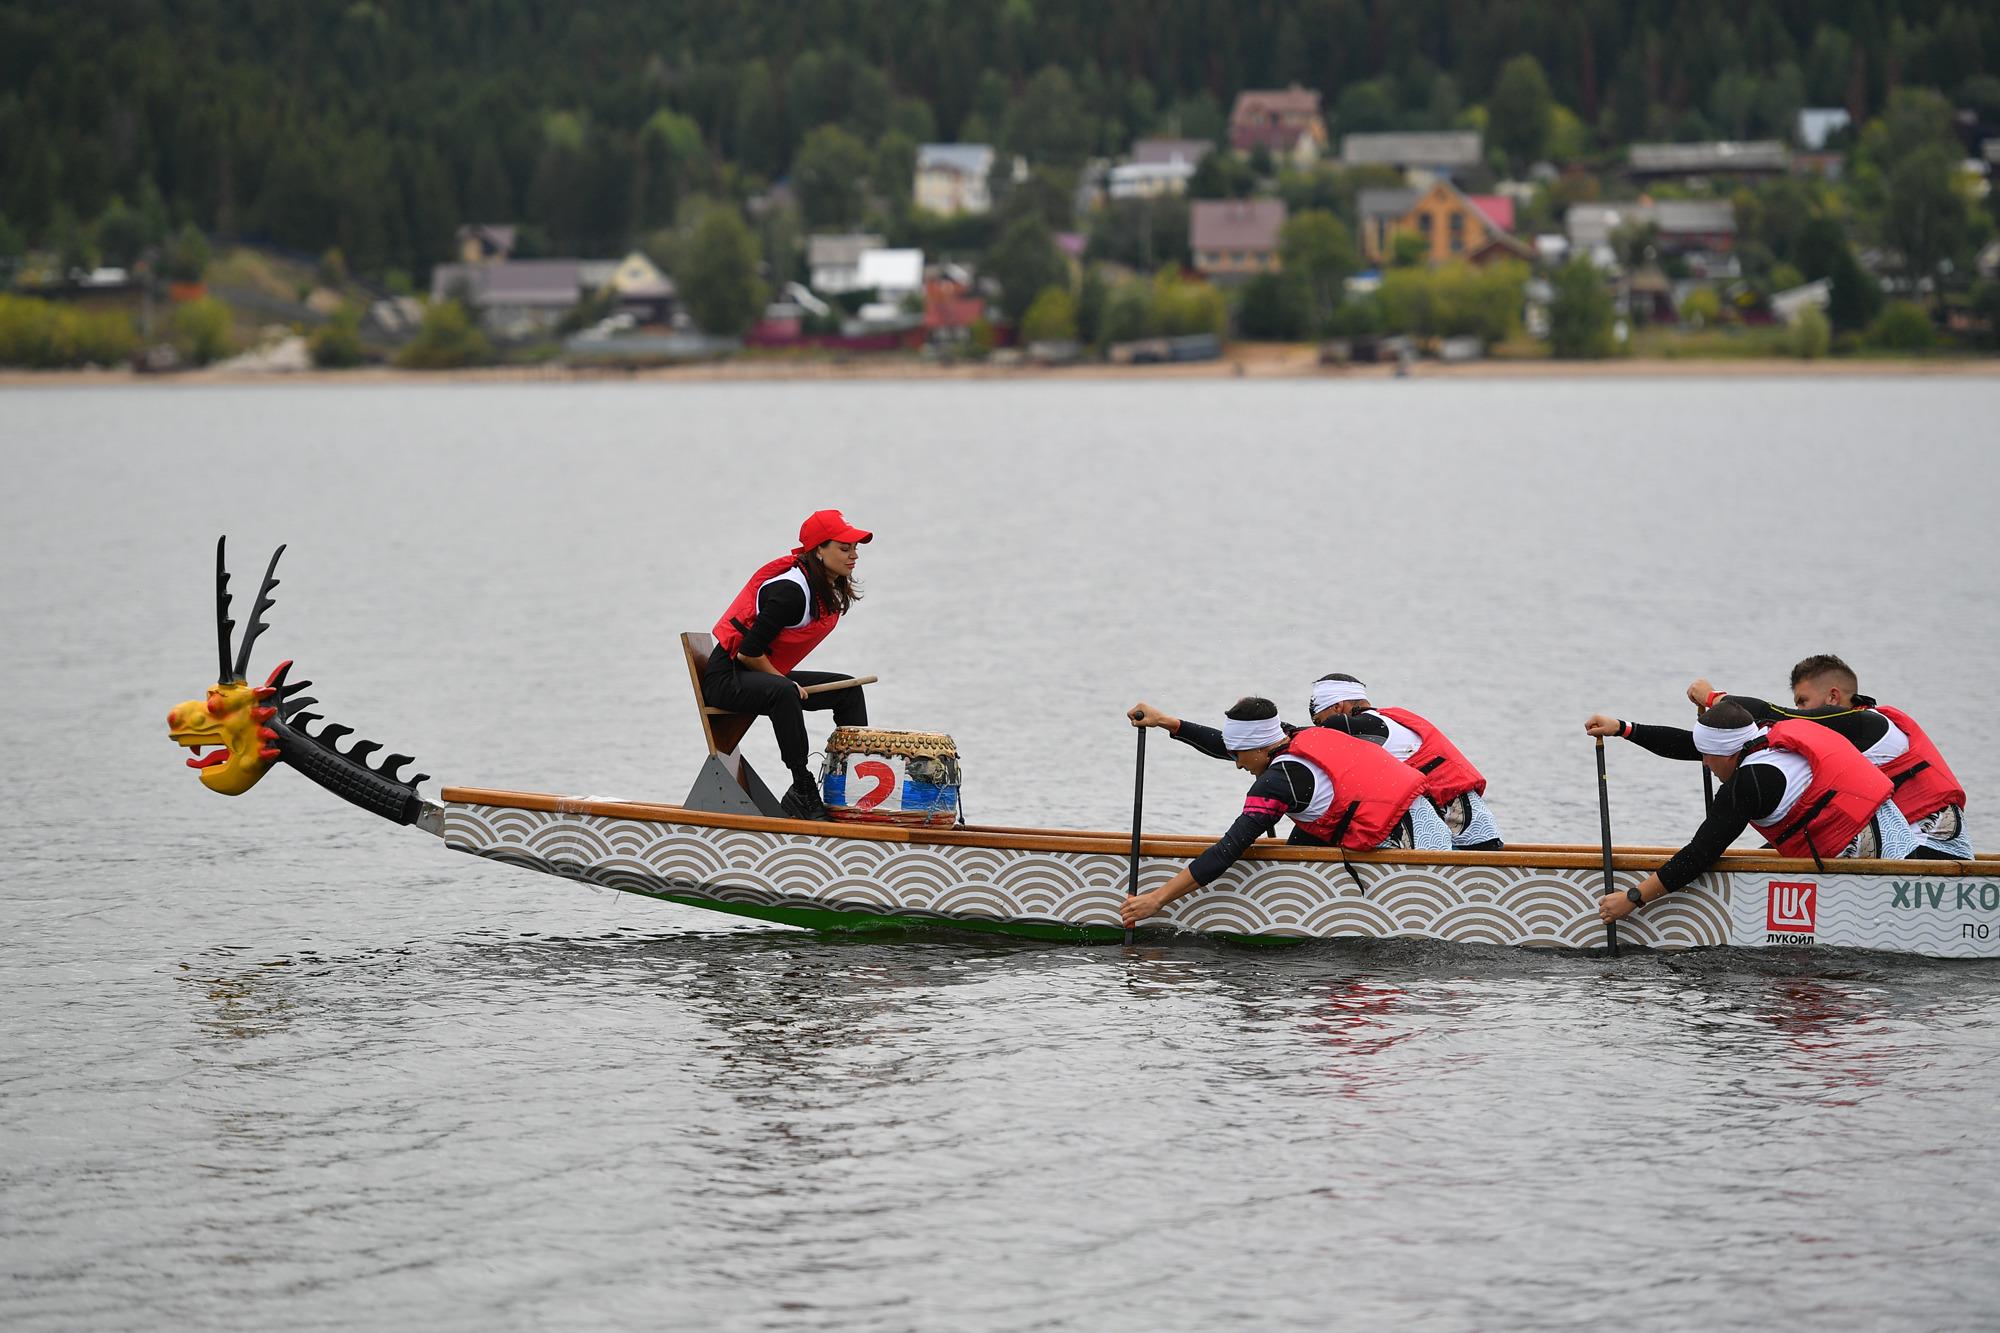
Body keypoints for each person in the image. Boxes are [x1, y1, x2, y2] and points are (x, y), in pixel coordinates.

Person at [1120, 696, 1452, 928]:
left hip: (1417, 853)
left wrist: (1158, 899)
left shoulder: (1277, 783)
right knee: (1304, 835)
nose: (1237, 765)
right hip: (1430, 826)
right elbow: (1230, 743)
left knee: (1294, 838)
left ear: (1262, 746)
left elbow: (1227, 851)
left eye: (1239, 756)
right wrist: (1166, 722)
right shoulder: (1297, 736)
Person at [1587, 700, 1919, 927]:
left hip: (1866, 852)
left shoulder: (1749, 783)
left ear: (1727, 754)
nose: (1703, 763)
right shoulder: (1762, 734)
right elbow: (1693, 744)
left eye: (1707, 757)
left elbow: (1700, 854)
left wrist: (1633, 898)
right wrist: (1623, 728)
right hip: (1895, 830)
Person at [1684, 654, 1970, 860]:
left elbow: (1779, 715)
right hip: (1899, 848)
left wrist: (1714, 698)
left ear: (1833, 697)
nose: (1799, 710)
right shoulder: (1834, 745)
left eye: (1803, 701)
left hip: (1935, 849)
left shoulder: (1869, 725)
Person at [704, 509, 872, 820]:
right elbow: (747, 653)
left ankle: (854, 784)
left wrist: (783, 682)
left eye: (855, 549)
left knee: (849, 689)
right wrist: (786, 683)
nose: (853, 556)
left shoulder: (825, 586)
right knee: (784, 691)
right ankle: (802, 790)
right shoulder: (791, 591)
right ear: (819, 550)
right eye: (844, 548)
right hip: (725, 680)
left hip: (757, 676)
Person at [1303, 673, 1503, 850]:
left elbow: (1313, 743)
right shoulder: (1390, 720)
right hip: (1478, 831)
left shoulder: (1355, 724)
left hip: (1458, 837)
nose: (1322, 728)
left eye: (1320, 722)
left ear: (1338, 707)